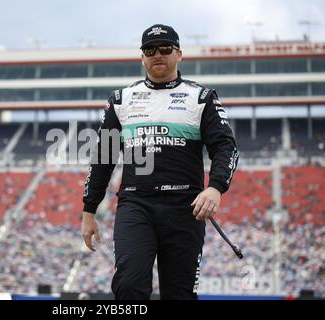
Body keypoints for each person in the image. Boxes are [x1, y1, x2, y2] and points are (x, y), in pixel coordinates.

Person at [81, 23, 239, 300]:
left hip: (185, 208)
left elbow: (226, 147)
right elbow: (103, 159)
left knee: (179, 294)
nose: (157, 55)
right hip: (135, 204)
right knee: (129, 288)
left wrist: (215, 188)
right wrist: (88, 211)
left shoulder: (202, 98)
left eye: (165, 49)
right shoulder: (120, 100)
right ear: (142, 57)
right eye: (150, 50)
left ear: (179, 54)